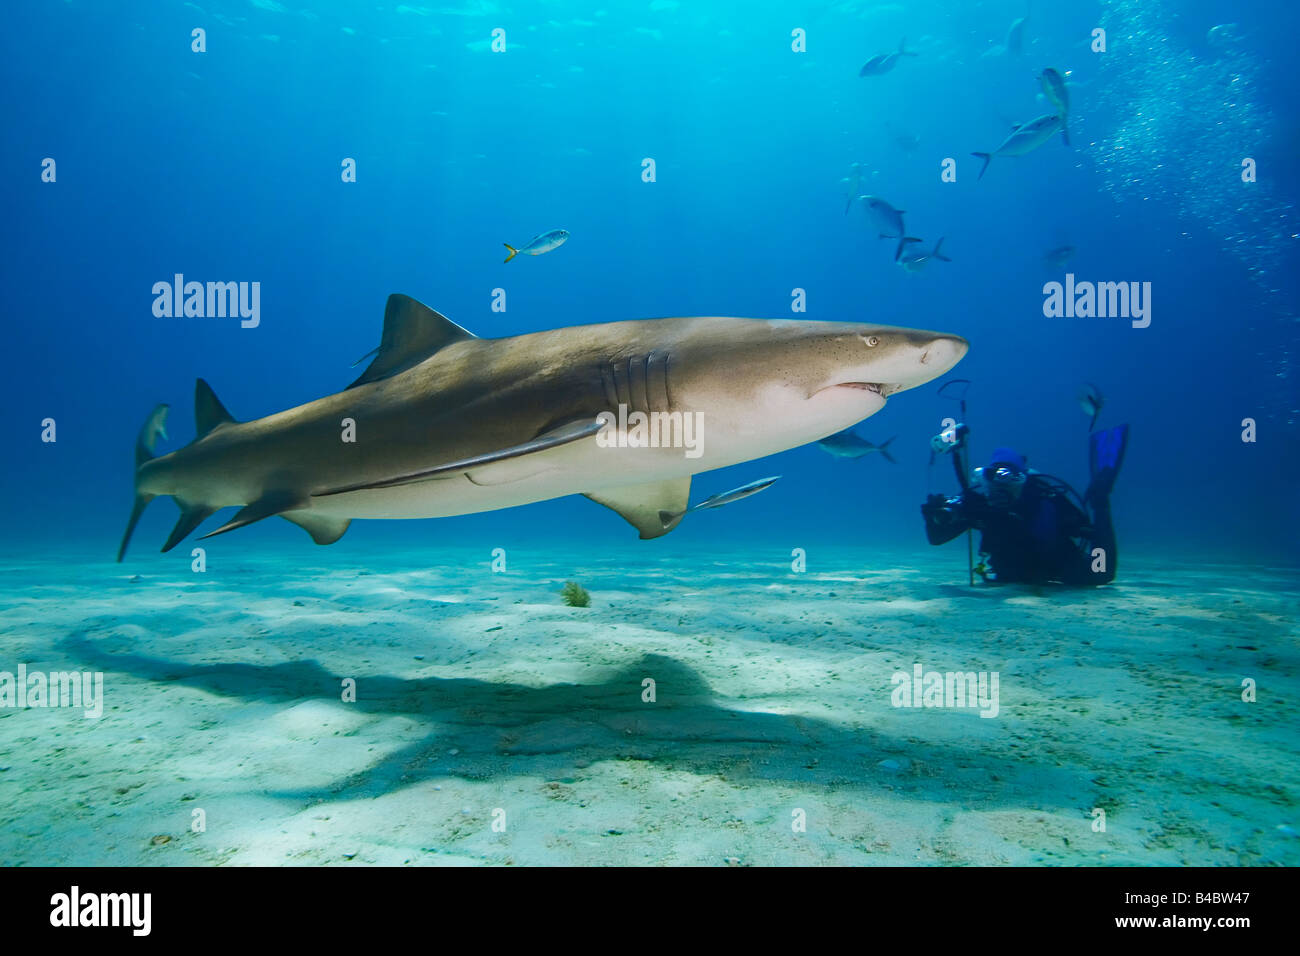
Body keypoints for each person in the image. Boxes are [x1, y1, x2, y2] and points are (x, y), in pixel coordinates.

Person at [921, 426, 1128, 586]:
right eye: (994, 480)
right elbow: (937, 539)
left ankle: (1101, 498)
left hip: (1057, 570)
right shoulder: (981, 506)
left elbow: (1089, 535)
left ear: (1023, 480)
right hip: (1010, 576)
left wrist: (1099, 508)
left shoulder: (1045, 500)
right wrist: (932, 517)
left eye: (1011, 480)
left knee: (1101, 572)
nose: (1001, 489)